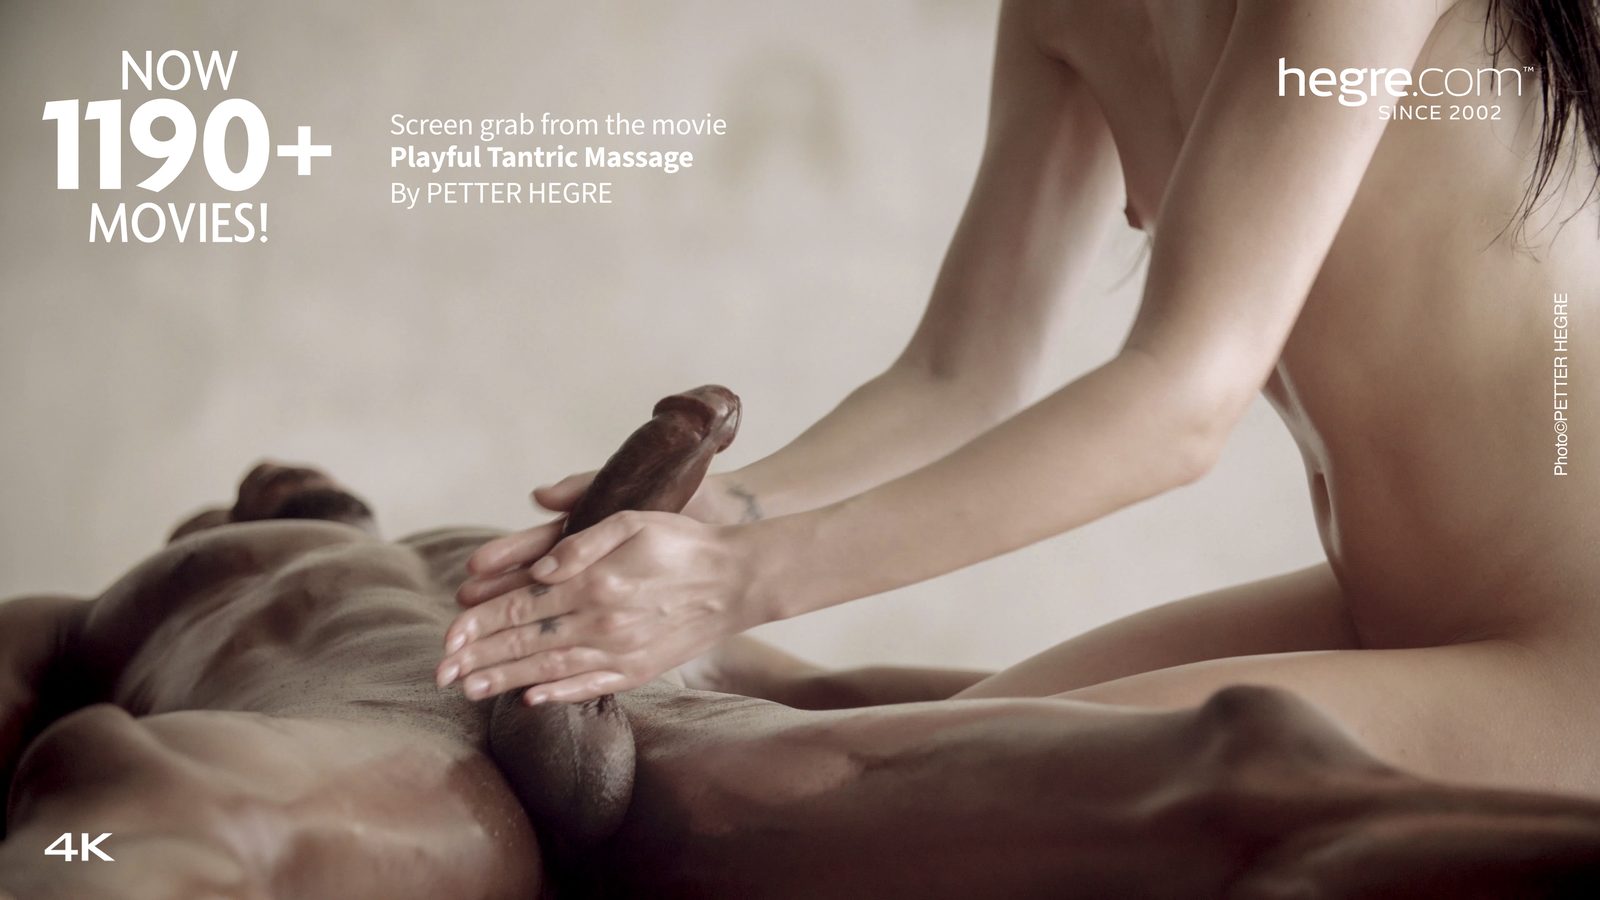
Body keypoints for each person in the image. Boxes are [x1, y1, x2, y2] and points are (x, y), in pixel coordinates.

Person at [440, 0, 1600, 797]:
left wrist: (731, 585)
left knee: (832, 800)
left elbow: (1181, 404)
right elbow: (957, 376)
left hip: (1569, 642)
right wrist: (716, 514)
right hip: (1381, 602)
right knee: (849, 776)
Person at [4, 455, 1600, 899]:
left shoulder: (504, 544)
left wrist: (1010, 717)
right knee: (144, 811)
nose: (283, 482)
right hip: (370, 740)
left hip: (672, 744)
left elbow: (843, 688)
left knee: (1234, 769)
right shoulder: (169, 581)